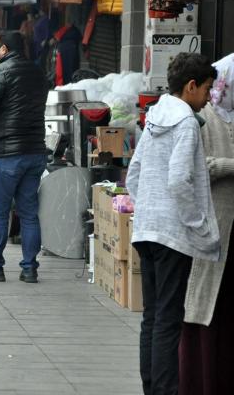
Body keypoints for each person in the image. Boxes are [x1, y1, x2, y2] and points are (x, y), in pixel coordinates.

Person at [127, 52, 220, 395]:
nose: (209, 97)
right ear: (191, 86)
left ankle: (152, 387)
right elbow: (180, 181)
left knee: (152, 317)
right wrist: (196, 222)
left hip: (147, 228)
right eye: (207, 89)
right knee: (167, 319)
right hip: (171, 235)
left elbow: (134, 173)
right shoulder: (185, 124)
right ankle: (164, 390)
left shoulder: (154, 118)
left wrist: (148, 208)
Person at [0, 31, 49, 284]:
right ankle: (29, 269)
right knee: (28, 212)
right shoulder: (38, 72)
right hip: (35, 149)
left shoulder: (1, 71)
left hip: (7, 153)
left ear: (3, 49)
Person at [180, 53, 234, 395]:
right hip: (209, 230)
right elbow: (197, 166)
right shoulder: (200, 119)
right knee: (203, 313)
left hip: (229, 231)